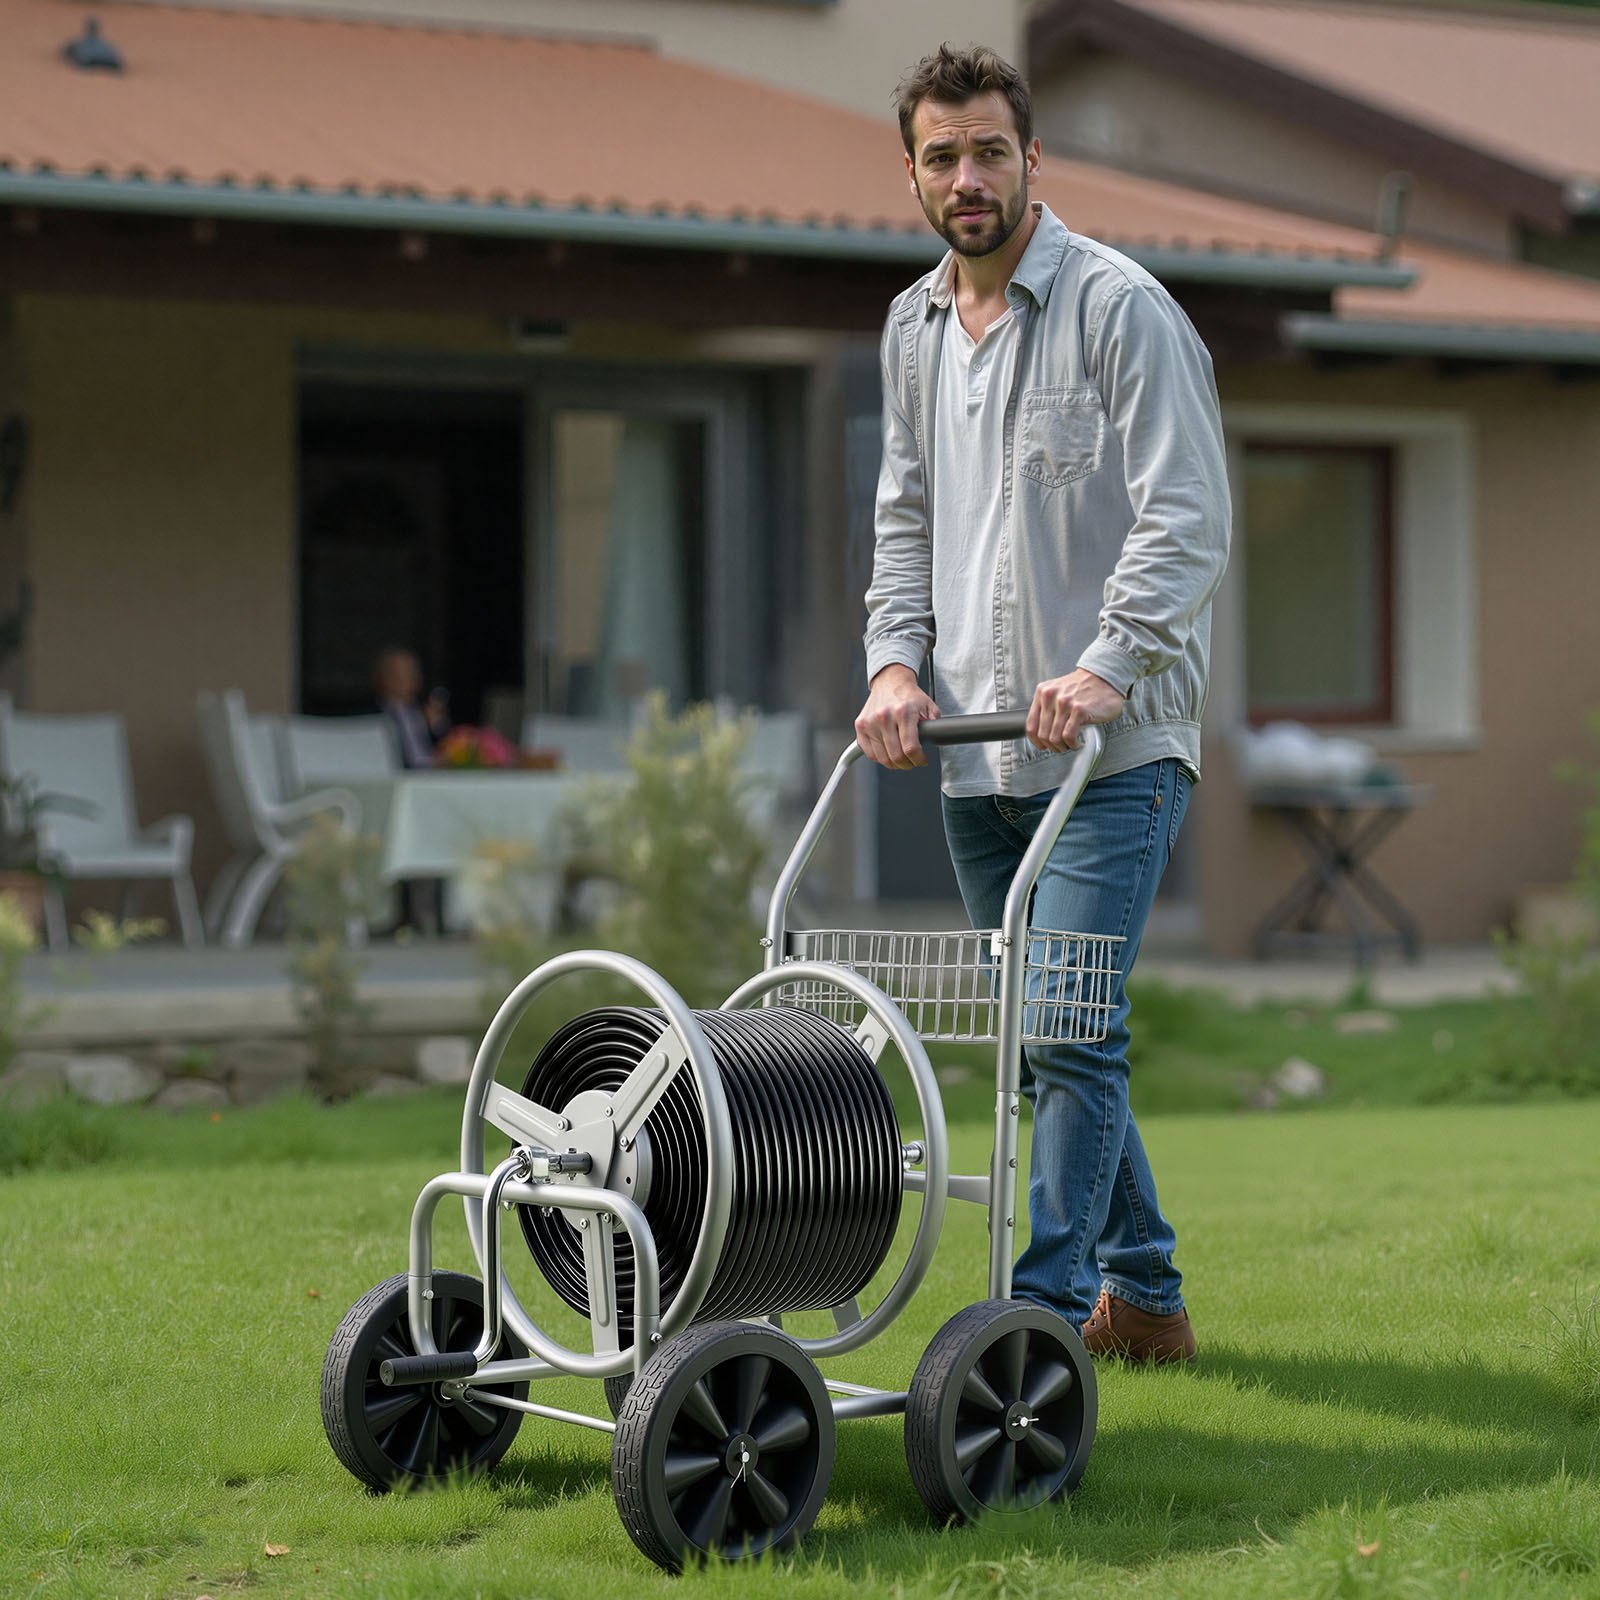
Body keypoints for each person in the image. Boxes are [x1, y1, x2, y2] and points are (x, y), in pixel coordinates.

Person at [856, 44, 1230, 1364]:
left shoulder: (1120, 312)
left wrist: (1109, 662)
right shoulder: (910, 331)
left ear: (1033, 161)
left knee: (1069, 1029)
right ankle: (1153, 1302)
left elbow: (1187, 520)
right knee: (1039, 1038)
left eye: (990, 152)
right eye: (942, 155)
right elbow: (903, 520)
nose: (968, 177)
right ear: (911, 170)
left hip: (1112, 747)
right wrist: (894, 666)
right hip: (977, 753)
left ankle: (1043, 1321)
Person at [373, 648, 449, 770]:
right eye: (399, 673)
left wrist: (437, 726)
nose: (408, 679)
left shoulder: (426, 711)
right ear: (383, 677)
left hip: (434, 775)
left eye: (412, 672)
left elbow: (447, 746)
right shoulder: (374, 714)